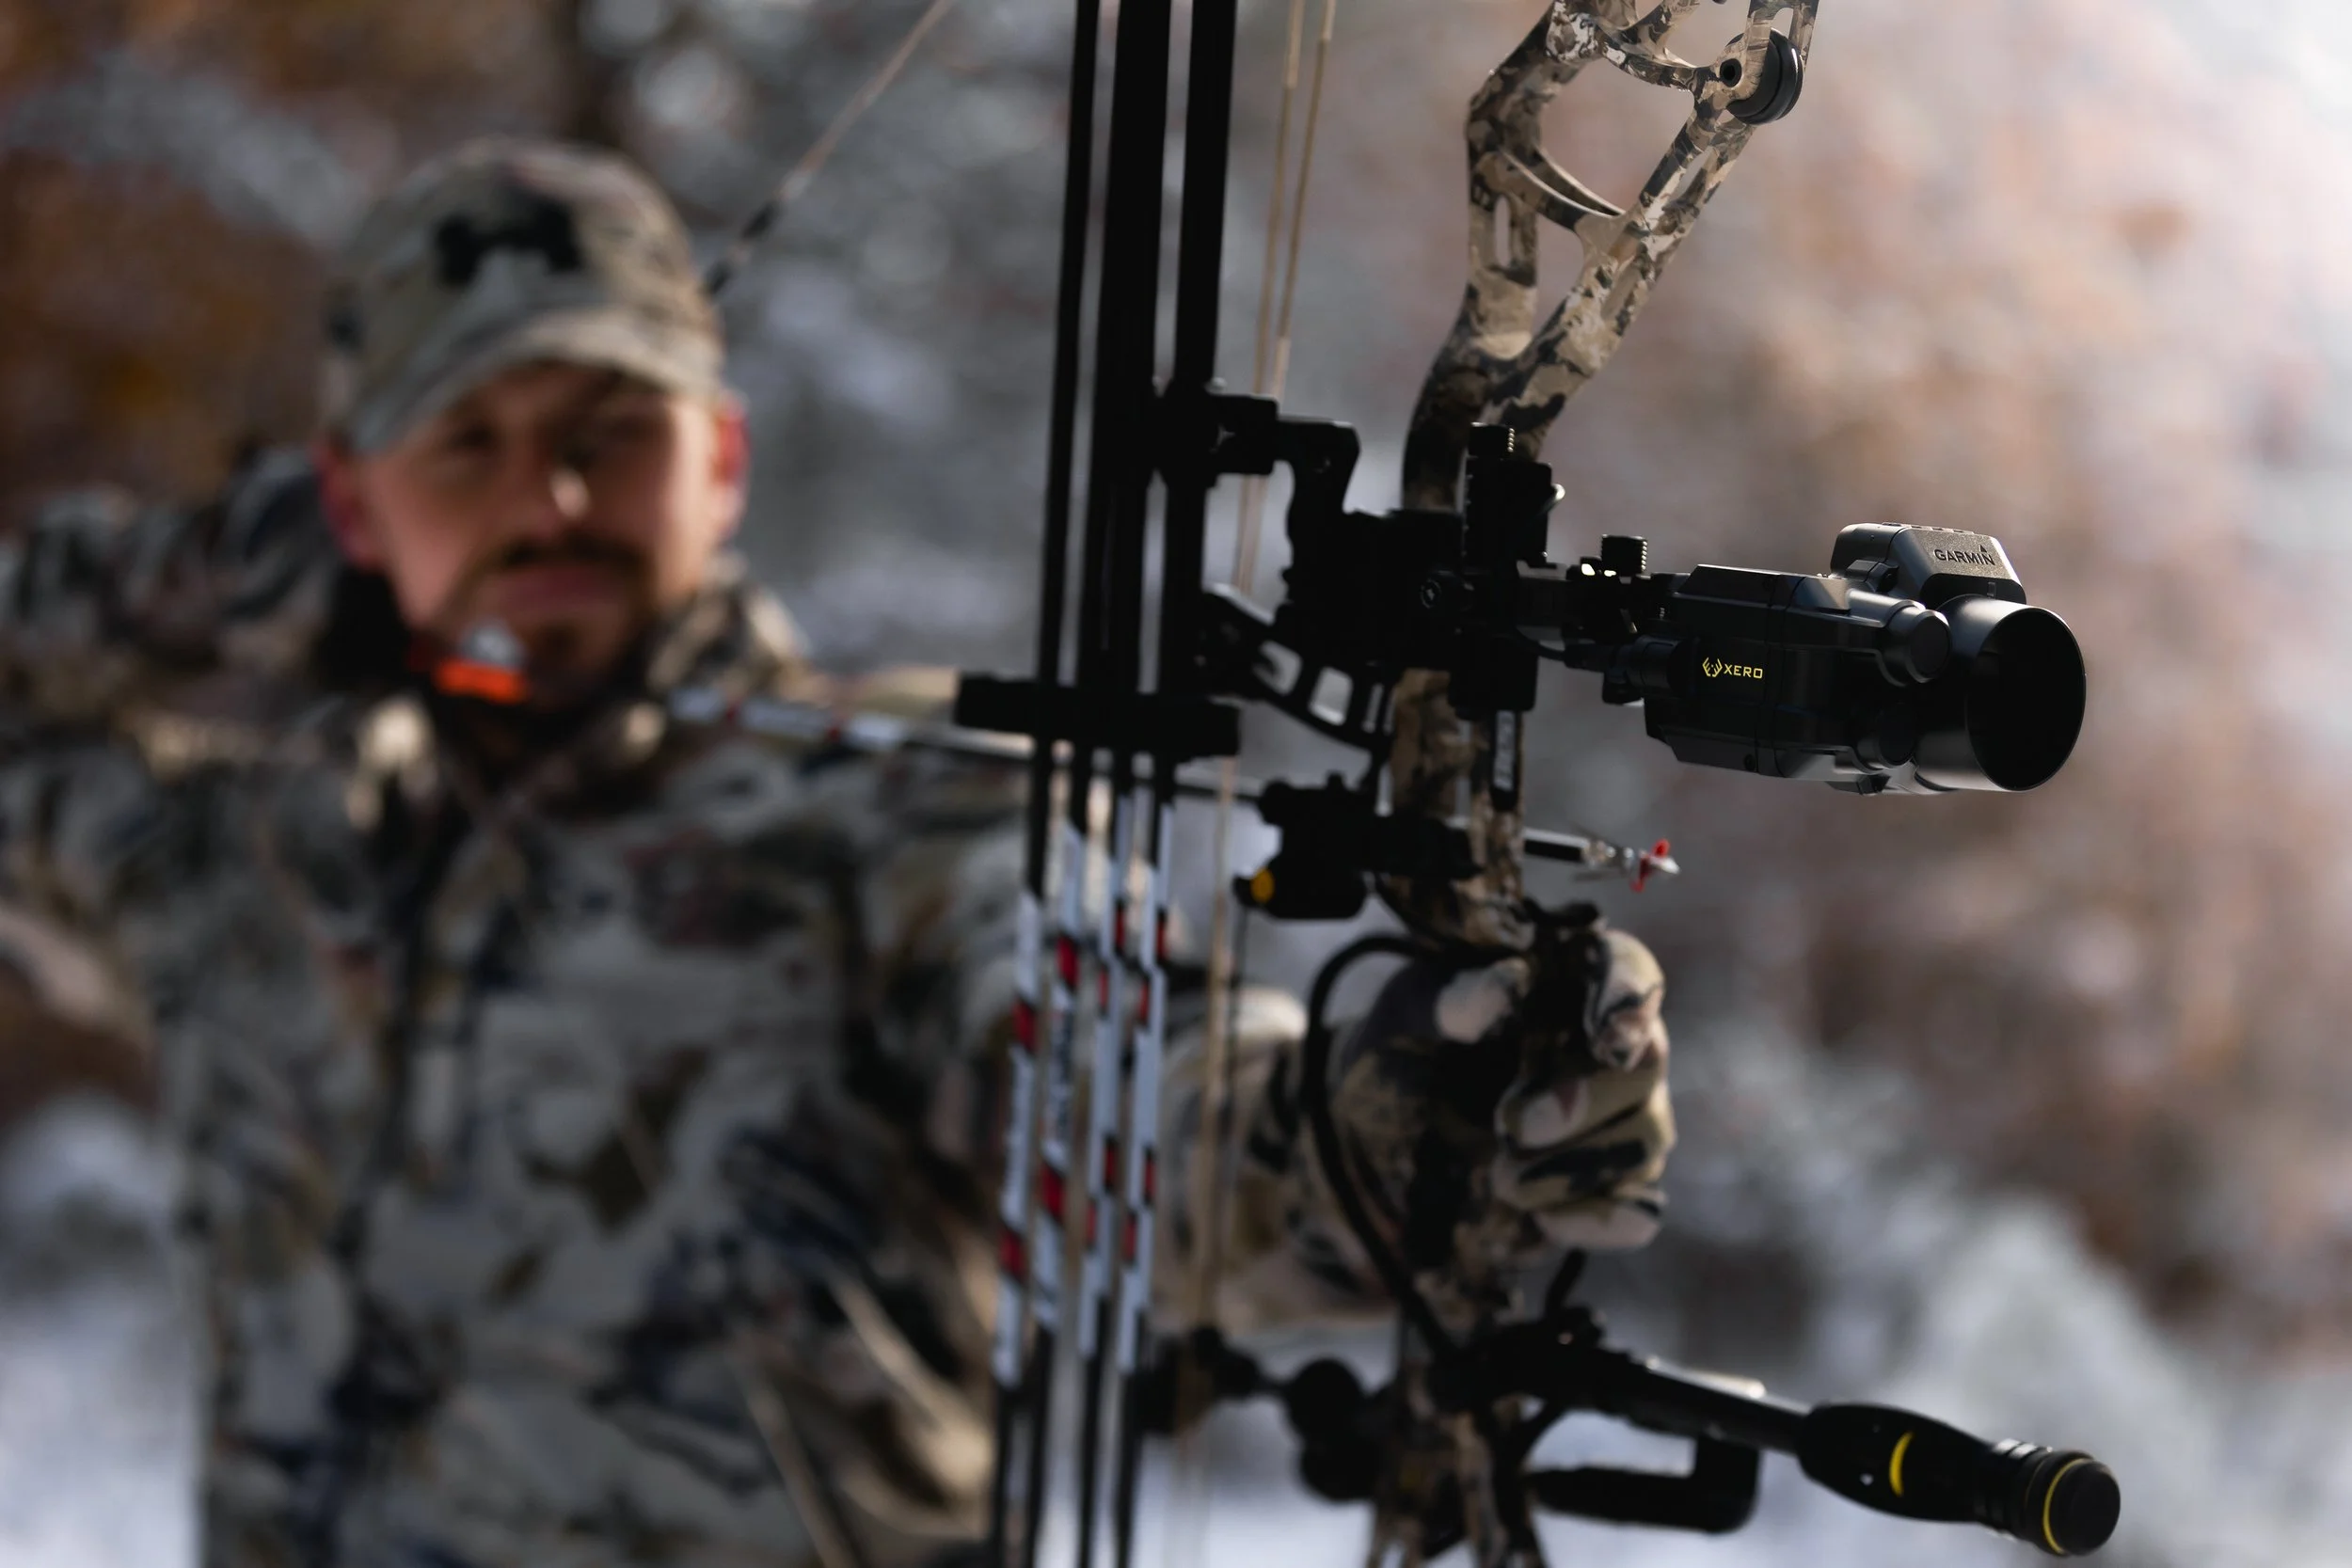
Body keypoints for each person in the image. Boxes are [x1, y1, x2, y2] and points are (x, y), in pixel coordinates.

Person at [0, 136, 1674, 1568]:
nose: (551, 501)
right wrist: (206, 572)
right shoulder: (246, 860)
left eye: (608, 430)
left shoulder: (896, 820)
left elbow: (1127, 1107)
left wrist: (1384, 1130)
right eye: (467, 444)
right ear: (352, 506)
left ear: (720, 460)